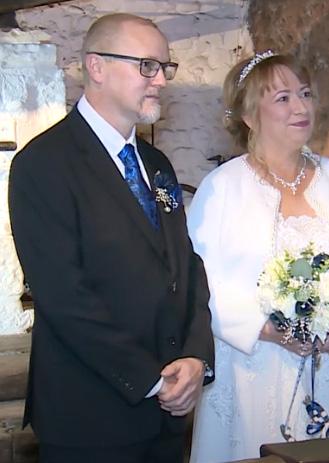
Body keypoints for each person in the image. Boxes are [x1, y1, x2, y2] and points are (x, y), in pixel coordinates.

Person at [8, 13, 214, 463]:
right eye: (147, 66)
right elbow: (64, 296)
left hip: (167, 415)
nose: (161, 80)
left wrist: (196, 357)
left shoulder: (156, 163)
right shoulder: (43, 164)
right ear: (96, 67)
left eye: (165, 67)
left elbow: (186, 268)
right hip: (90, 416)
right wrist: (152, 380)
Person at [187, 51, 329, 462]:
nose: (301, 107)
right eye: (283, 98)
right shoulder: (223, 188)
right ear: (250, 115)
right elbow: (198, 281)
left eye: (305, 94)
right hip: (253, 369)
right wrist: (264, 328)